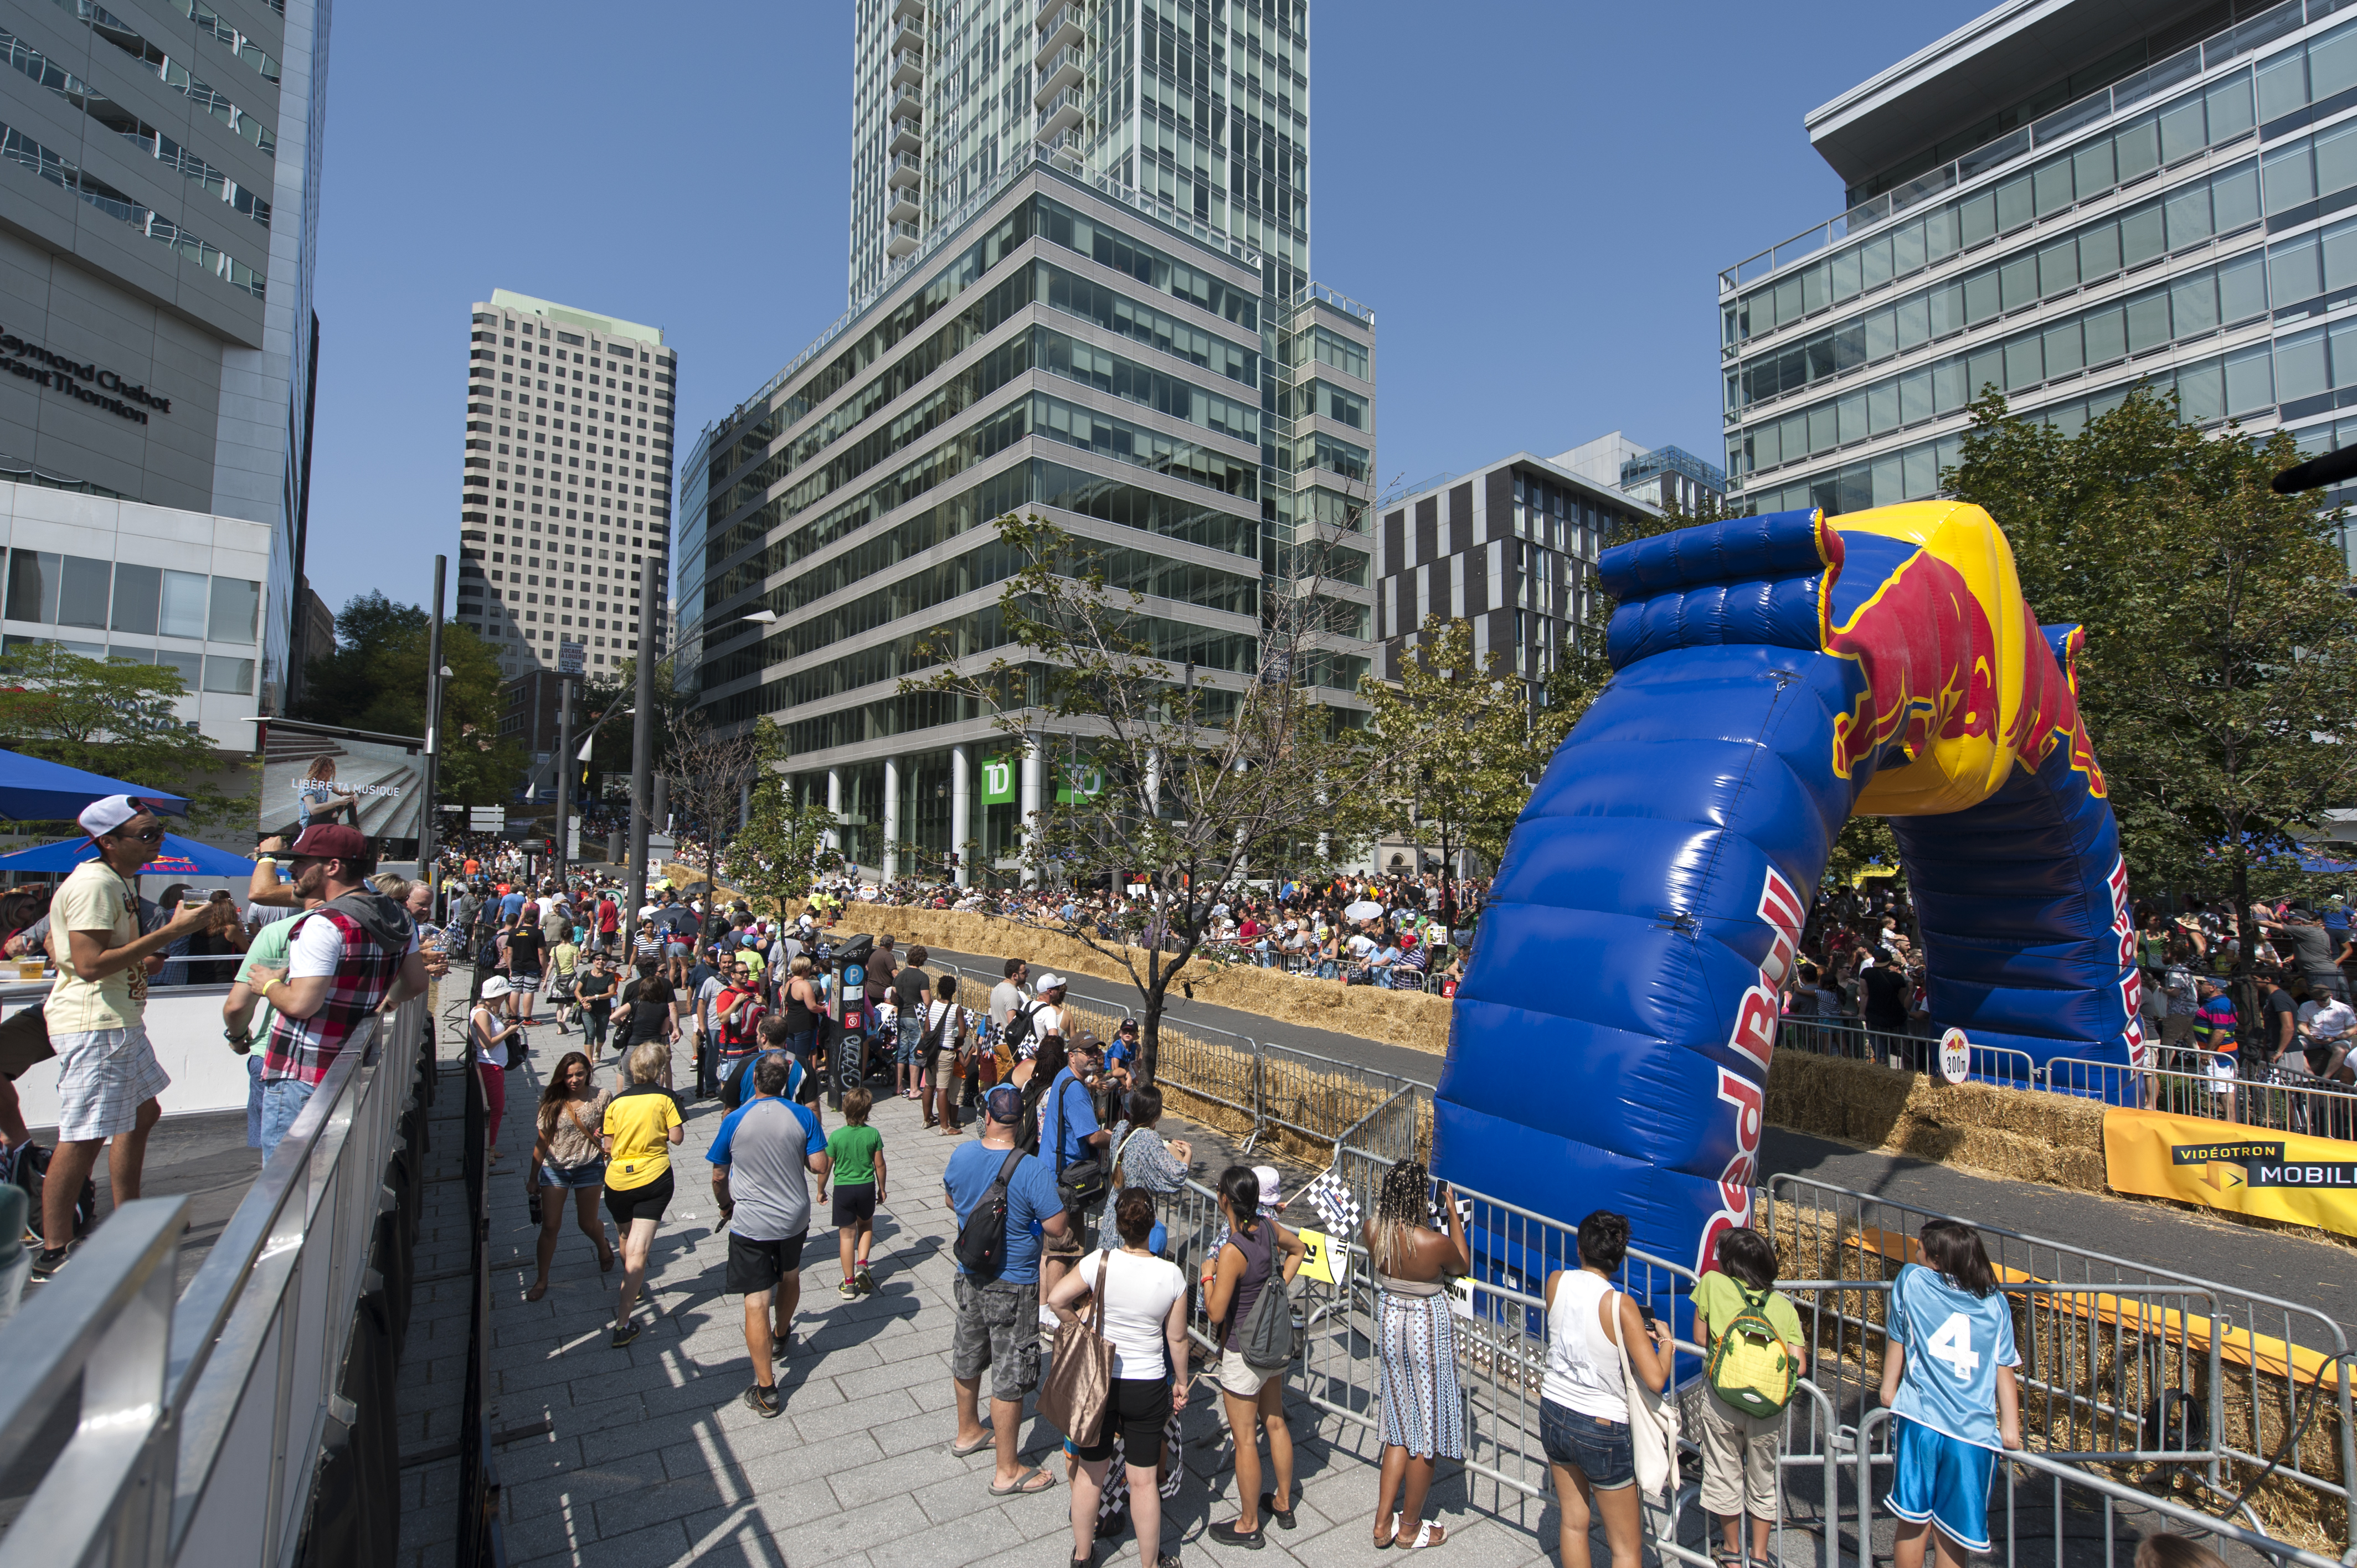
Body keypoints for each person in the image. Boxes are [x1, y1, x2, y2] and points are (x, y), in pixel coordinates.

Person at [35, 797, 218, 1278]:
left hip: (116, 1021)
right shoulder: (96, 884)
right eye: (147, 834)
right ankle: (54, 1250)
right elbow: (90, 965)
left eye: (159, 832)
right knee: (84, 1135)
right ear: (109, 842)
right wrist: (172, 933)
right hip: (96, 1024)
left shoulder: (114, 881)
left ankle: (130, 1220)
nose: (158, 841)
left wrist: (155, 951)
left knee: (142, 1113)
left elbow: (108, 957)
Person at [239, 824, 428, 1163]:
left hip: (302, 1073)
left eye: (301, 862)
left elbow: (302, 1004)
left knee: (288, 1179)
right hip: (350, 1066)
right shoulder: (396, 913)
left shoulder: (323, 922)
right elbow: (415, 983)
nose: (292, 870)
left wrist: (267, 984)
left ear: (333, 866)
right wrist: (385, 1001)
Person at [1044, 1187, 1188, 1568]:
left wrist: (1081, 1329)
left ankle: (1082, 1555)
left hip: (1101, 1380)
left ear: (1120, 1225)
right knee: (1143, 1481)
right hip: (1148, 1383)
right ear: (1152, 1224)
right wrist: (1181, 1382)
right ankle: (1149, 1563)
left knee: (1091, 1474)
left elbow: (1056, 1299)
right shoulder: (1172, 1275)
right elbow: (1177, 1339)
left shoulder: (1100, 1262)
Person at [944, 1082, 1069, 1496]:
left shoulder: (962, 1155)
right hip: (1013, 1282)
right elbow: (1057, 1227)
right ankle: (1008, 1469)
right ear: (1024, 1120)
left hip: (969, 1273)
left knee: (967, 1352)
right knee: (1010, 1373)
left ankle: (967, 1431)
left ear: (988, 1117)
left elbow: (951, 1200)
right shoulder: (1031, 1169)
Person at [1539, 1209, 1677, 1568]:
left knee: (1573, 1522)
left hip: (1554, 1407)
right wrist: (1665, 1343)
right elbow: (1655, 1379)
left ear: (1580, 1248)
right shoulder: (1621, 1305)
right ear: (1619, 1258)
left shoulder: (1555, 1281)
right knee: (1626, 1548)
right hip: (1601, 1424)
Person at [1884, 1219, 2021, 1568]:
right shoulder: (1996, 1303)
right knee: (1953, 1533)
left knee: (1913, 1522)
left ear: (1937, 1259)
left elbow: (1899, 1335)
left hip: (1921, 1420)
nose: (1915, 1254)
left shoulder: (1912, 1280)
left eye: (1919, 1249)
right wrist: (2011, 1428)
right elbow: (2003, 1367)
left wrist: (1888, 1388)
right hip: (1972, 1433)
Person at [708, 1052, 827, 1416]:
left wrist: (726, 1206)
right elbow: (819, 1164)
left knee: (756, 1300)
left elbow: (718, 1175)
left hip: (752, 1222)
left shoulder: (734, 1120)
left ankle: (766, 1390)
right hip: (793, 1216)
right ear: (786, 1083)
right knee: (790, 1275)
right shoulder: (804, 1116)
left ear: (755, 1081)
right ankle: (781, 1333)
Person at [1362, 1157, 1471, 1549]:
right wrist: (1453, 1214)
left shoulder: (1372, 1231)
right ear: (1419, 1197)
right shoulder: (1432, 1243)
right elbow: (1461, 1264)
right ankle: (1409, 1528)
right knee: (1426, 1433)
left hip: (1391, 1321)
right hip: (1426, 1328)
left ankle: (1382, 1522)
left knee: (1397, 1426)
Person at [1203, 1165, 1306, 1546]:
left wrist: (1208, 1275)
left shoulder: (1232, 1250)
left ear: (1225, 1200)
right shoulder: (1267, 1228)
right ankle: (1283, 1502)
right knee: (1275, 1422)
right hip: (1271, 1343)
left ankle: (1249, 1524)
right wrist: (1278, 1288)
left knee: (1246, 1439)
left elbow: (1216, 1312)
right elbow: (1299, 1250)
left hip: (1242, 1350)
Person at [1693, 1229, 1808, 1568]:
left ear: (1730, 1262)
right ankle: (1759, 1556)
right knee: (1763, 1479)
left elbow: (1700, 1337)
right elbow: (1799, 1365)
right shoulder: (1784, 1307)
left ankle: (1731, 1552)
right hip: (1767, 1408)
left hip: (1723, 1399)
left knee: (1723, 1471)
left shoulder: (1713, 1284)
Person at [223, 888, 325, 1152]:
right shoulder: (363, 927)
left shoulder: (278, 932)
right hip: (341, 1052)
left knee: (278, 1160)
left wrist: (237, 1037)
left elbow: (237, 1006)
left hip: (278, 1055)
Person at [601, 1040, 685, 1347]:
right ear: (659, 1070)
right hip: (653, 1179)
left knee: (625, 1236)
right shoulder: (666, 1098)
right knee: (639, 1251)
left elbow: (608, 1146)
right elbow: (676, 1138)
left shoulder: (617, 1103)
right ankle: (623, 1323)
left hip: (617, 1183)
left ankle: (633, 1286)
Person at [524, 1050, 616, 1301]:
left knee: (587, 1223)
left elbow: (613, 1127)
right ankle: (542, 1280)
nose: (574, 1080)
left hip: (589, 1165)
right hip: (555, 1168)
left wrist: (603, 1132)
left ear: (588, 1073)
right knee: (550, 1226)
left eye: (579, 1074)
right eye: (568, 1076)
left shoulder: (602, 1096)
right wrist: (533, 1177)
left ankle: (603, 1246)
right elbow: (541, 1142)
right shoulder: (552, 1101)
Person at [818, 1085, 886, 1298]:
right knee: (865, 1225)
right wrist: (882, 1189)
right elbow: (880, 1165)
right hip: (866, 1187)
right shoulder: (873, 1134)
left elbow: (826, 1167)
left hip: (843, 1189)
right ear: (868, 1110)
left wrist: (820, 1189)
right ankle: (862, 1265)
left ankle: (848, 1284)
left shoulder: (837, 1136)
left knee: (846, 1236)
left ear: (845, 1109)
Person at [470, 977, 524, 1162]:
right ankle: (488, 1151)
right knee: (496, 1109)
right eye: (504, 995)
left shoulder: (480, 1010)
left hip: (493, 1064)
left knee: (494, 1108)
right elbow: (487, 1043)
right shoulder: (483, 1014)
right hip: (490, 1065)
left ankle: (488, 1147)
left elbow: (474, 1036)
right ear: (496, 995)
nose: (505, 998)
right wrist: (508, 1032)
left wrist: (503, 1029)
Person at [922, 973, 968, 1133]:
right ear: (954, 991)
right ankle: (945, 1127)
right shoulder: (956, 1009)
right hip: (945, 1052)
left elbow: (927, 1029)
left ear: (939, 989)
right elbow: (962, 1034)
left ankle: (927, 1119)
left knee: (929, 1086)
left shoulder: (932, 1005)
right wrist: (953, 1037)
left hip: (931, 1051)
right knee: (942, 1089)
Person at [892, 943, 932, 1102]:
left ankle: (899, 1086)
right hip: (915, 1018)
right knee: (915, 1052)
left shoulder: (899, 976)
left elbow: (893, 996)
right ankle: (914, 1089)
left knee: (902, 1051)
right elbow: (927, 1001)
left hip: (901, 1015)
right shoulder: (922, 977)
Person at [575, 952, 618, 1054]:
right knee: (590, 1035)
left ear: (606, 962)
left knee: (601, 1035)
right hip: (587, 1009)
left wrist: (595, 997)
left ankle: (598, 1050)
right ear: (594, 961)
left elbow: (611, 993)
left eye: (604, 960)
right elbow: (577, 991)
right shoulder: (586, 974)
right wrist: (583, 1002)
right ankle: (590, 1061)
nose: (601, 961)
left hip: (604, 1010)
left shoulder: (609, 976)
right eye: (598, 959)